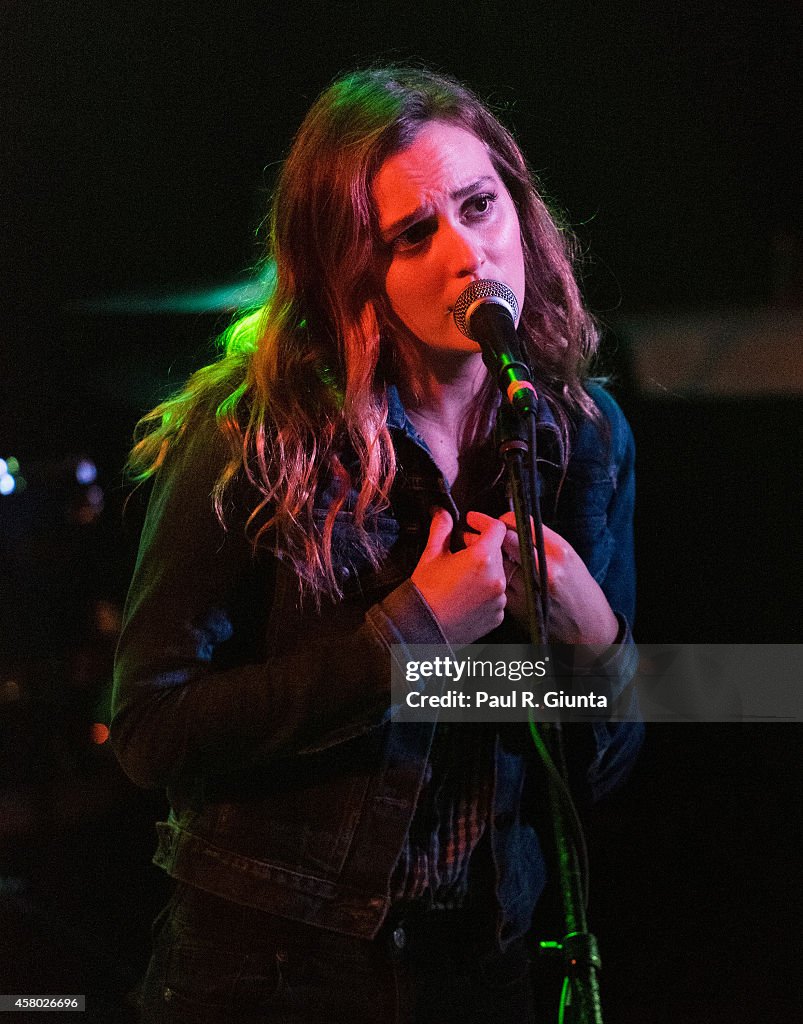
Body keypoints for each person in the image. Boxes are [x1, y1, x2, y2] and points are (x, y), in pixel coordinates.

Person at [111, 66, 643, 1024]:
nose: (468, 255)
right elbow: (151, 732)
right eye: (413, 235)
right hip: (271, 969)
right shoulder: (253, 435)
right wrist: (407, 641)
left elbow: (601, 766)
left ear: (518, 210)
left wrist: (596, 640)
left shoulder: (583, 436)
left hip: (484, 966)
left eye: (480, 206)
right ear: (355, 267)